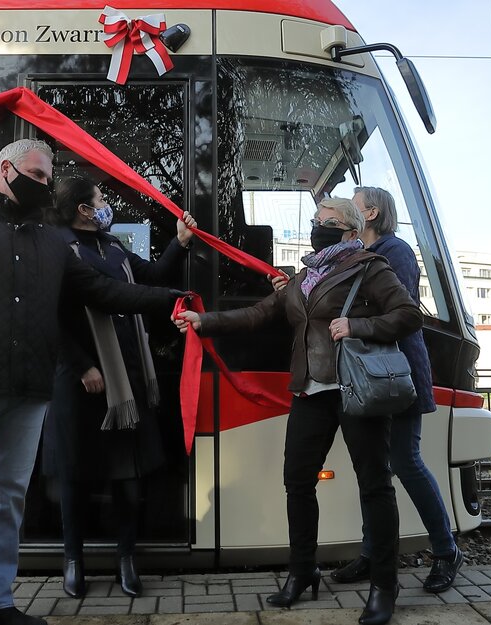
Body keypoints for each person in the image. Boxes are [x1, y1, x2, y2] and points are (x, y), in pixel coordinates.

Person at [0, 139, 180, 625]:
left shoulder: (52, 242)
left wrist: (173, 298)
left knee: (8, 499)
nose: (46, 185)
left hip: (29, 392)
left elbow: (102, 289)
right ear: (6, 169)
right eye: (38, 175)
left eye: (50, 178)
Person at [174, 197, 421, 625]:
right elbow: (260, 313)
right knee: (297, 482)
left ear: (350, 230)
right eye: (315, 221)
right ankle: (302, 572)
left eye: (328, 222)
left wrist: (358, 326)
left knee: (374, 485)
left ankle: (385, 583)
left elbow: (408, 314)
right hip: (311, 391)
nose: (317, 227)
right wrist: (204, 320)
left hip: (355, 388)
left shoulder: (369, 267)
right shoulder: (304, 276)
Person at [41, 176, 196, 598]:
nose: (106, 203)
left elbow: (147, 282)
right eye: (100, 198)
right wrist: (82, 365)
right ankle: (74, 561)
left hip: (125, 378)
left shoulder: (113, 248)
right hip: (81, 382)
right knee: (76, 475)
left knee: (129, 474)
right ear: (83, 210)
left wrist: (179, 244)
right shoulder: (55, 247)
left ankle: (126, 558)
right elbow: (49, 319)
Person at [319, 186, 463, 593]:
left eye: (355, 201)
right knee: (374, 470)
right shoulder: (363, 251)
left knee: (405, 461)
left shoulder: (394, 251)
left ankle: (446, 549)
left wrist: (352, 321)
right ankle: (374, 552)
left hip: (396, 373)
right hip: (371, 373)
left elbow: (396, 311)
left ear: (373, 210)